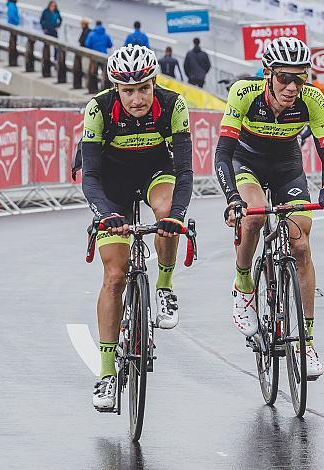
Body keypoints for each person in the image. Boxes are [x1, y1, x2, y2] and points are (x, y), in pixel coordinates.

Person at [214, 37, 324, 379]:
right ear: (268, 74)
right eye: (285, 78)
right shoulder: (244, 94)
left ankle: (306, 342)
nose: (292, 87)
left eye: (299, 78)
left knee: (300, 243)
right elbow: (222, 154)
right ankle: (243, 286)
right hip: (247, 162)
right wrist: (232, 198)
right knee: (255, 215)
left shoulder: (313, 100)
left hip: (287, 164)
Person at [81, 45, 193, 410]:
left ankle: (163, 286)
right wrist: (103, 214)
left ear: (153, 83)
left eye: (144, 88)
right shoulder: (98, 108)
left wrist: (176, 214)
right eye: (128, 91)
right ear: (116, 89)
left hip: (155, 172)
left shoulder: (173, 104)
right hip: (111, 184)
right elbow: (91, 176)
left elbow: (186, 171)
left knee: (166, 214)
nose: (138, 98)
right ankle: (107, 374)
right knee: (114, 276)